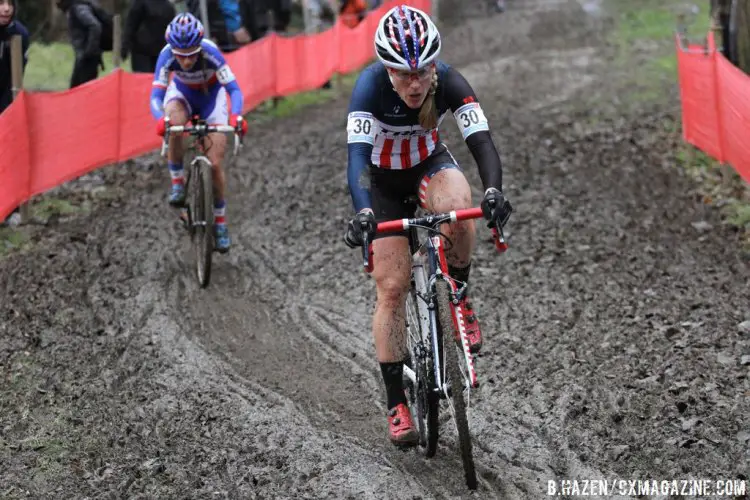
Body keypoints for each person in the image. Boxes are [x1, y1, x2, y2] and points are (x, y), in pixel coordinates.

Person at [343, 5, 512, 446]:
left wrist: (493, 190)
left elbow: (481, 142)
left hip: (427, 168)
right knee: (393, 286)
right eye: (403, 74)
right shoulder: (369, 88)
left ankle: (458, 291)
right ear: (387, 68)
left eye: (422, 73)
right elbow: (357, 160)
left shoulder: (450, 83)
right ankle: (397, 399)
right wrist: (363, 212)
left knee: (461, 203)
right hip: (380, 184)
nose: (415, 84)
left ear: (434, 65)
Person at [150, 13, 248, 252]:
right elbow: (156, 96)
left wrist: (237, 116)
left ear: (199, 47)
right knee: (174, 125)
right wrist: (160, 120)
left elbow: (234, 90)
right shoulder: (165, 55)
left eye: (191, 55)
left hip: (211, 100)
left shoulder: (211, 53)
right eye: (180, 56)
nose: (185, 62)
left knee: (214, 165)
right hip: (182, 96)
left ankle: (221, 223)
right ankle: (177, 183)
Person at [56, 0, 104, 88]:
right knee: (75, 91)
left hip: (87, 58)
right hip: (82, 57)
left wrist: (89, 51)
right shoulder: (72, 8)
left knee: (82, 91)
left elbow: (95, 26)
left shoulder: (78, 8)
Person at [122, 0, 176, 73]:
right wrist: (125, 45)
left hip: (159, 52)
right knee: (143, 80)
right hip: (142, 52)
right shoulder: (140, 3)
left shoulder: (168, 5)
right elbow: (131, 24)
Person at [0, 0, 29, 114]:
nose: (7, 9)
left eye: (10, 4)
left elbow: (16, 78)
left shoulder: (19, 33)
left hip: (6, 95)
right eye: (1, 3)